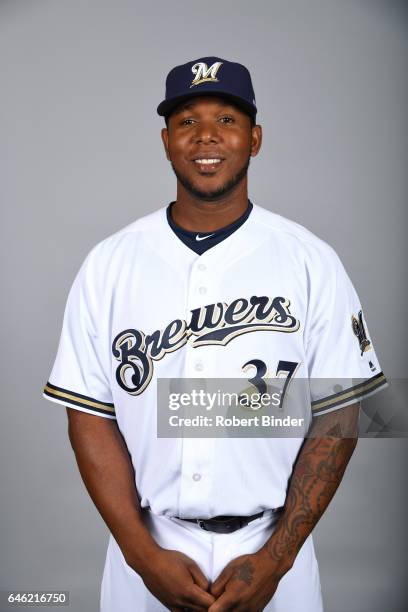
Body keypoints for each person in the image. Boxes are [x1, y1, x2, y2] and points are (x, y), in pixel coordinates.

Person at [43, 56, 388, 611]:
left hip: (275, 547)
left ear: (255, 139)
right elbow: (88, 411)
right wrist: (141, 554)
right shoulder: (110, 263)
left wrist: (278, 560)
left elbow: (339, 413)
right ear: (165, 140)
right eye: (187, 120)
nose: (206, 135)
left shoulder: (310, 261)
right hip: (148, 548)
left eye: (227, 120)